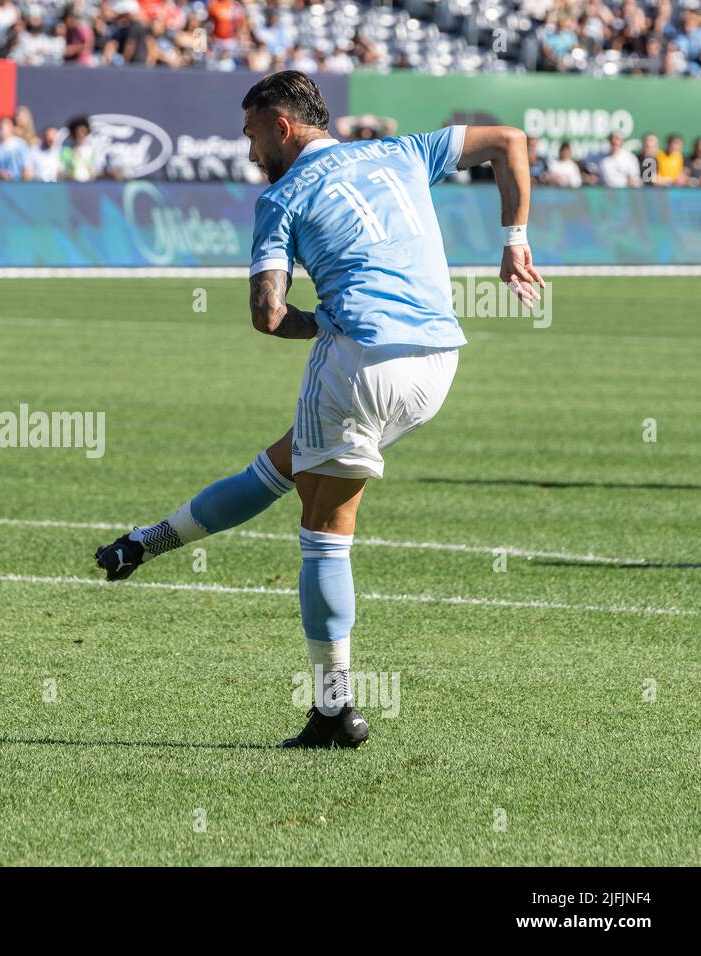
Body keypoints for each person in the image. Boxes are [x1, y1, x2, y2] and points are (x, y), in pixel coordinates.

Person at [94, 71, 543, 749]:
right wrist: (514, 243)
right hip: (438, 362)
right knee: (284, 467)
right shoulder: (402, 151)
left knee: (324, 530)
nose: (250, 155)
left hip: (360, 358)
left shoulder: (282, 197)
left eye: (251, 136)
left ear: (280, 126)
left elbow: (267, 314)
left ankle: (334, 711)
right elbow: (510, 140)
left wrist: (316, 323)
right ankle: (145, 542)